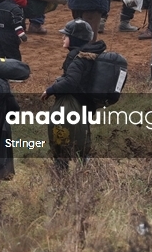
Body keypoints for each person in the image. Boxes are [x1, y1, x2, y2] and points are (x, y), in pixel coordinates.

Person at [40, 19, 106, 170]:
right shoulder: (89, 54)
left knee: (63, 136)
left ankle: (62, 171)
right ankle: (86, 173)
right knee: (81, 137)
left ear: (75, 39)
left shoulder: (77, 58)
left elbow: (71, 82)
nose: (63, 38)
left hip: (74, 105)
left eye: (66, 35)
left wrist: (50, 90)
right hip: (85, 104)